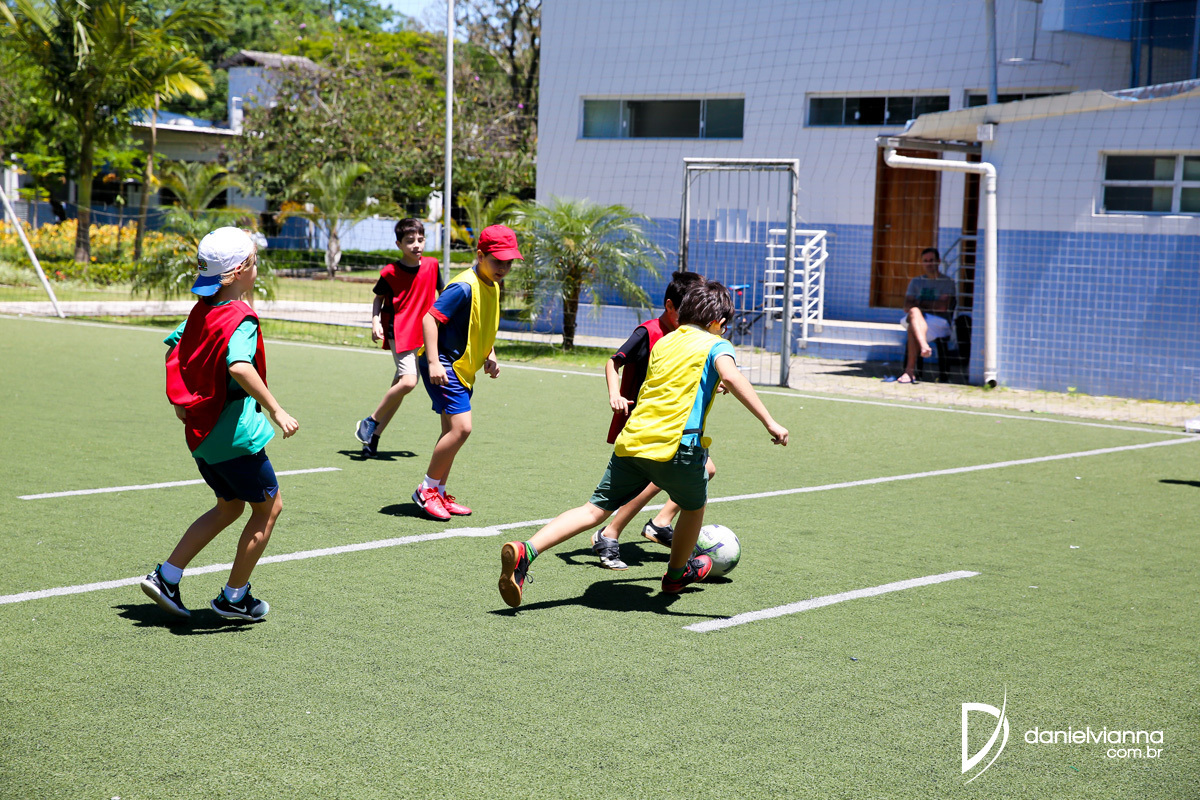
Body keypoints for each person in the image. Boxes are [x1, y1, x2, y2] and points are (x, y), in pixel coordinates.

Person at [498, 280, 789, 608]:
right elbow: (732, 376)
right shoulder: (716, 345)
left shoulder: (665, 342)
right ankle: (676, 574)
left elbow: (675, 383)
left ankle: (526, 551)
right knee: (694, 506)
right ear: (717, 322)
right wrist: (770, 422)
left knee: (593, 510)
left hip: (633, 441)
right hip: (678, 447)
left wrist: (713, 382)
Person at [140, 227, 299, 622]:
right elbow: (239, 365)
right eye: (255, 261)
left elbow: (175, 347)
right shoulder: (240, 317)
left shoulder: (201, 309)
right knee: (269, 509)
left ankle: (167, 576)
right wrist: (276, 410)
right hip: (234, 437)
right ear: (241, 270)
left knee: (229, 507)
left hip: (202, 436)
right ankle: (234, 597)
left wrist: (180, 401)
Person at [590, 270, 713, 570]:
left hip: (672, 424)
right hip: (644, 422)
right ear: (671, 306)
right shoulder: (649, 333)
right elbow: (613, 362)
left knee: (704, 469)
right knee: (659, 476)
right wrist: (615, 394)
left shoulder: (689, 337)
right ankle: (610, 532)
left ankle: (659, 522)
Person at [411, 224, 522, 521]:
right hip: (444, 364)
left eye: (509, 262)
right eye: (498, 261)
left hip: (461, 367)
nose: (504, 268)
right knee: (462, 429)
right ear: (480, 255)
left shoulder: (493, 285)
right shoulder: (463, 287)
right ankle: (426, 490)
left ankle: (439, 491)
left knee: (451, 431)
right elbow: (430, 320)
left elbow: (480, 324)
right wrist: (434, 362)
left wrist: (490, 355)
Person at [354, 219, 444, 457]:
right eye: (410, 241)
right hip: (400, 331)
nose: (417, 245)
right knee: (409, 382)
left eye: (420, 240)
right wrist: (375, 322)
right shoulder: (390, 272)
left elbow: (443, 296)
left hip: (425, 334)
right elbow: (378, 299)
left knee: (399, 388)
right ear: (399, 244)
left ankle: (372, 439)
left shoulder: (433, 265)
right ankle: (370, 421)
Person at [886, 247, 956, 384]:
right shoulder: (916, 282)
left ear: (938, 261)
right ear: (922, 263)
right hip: (918, 317)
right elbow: (906, 306)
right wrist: (929, 304)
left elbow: (942, 307)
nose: (929, 263)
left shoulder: (947, 282)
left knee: (913, 322)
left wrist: (919, 302)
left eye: (932, 260)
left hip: (939, 322)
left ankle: (909, 372)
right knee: (914, 312)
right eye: (926, 261)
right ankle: (924, 346)